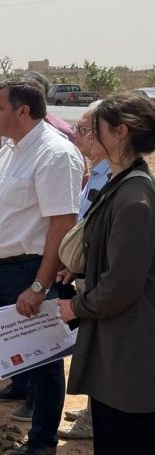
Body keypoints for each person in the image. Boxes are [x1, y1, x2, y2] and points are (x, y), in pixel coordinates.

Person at [0, 78, 83, 455]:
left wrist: (39, 287)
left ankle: (41, 445)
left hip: (28, 271)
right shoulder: (8, 147)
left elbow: (62, 224)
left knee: (42, 359)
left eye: (0, 108)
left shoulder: (55, 154)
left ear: (24, 111)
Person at [57, 93, 155, 454]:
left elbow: (122, 284)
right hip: (115, 335)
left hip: (129, 343)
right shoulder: (121, 184)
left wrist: (77, 308)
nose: (84, 133)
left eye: (92, 127)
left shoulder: (134, 197)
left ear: (120, 132)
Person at [56, 103, 109, 441]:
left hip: (100, 277)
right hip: (84, 270)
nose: (78, 136)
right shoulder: (98, 170)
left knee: (100, 349)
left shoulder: (117, 177)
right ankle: (91, 409)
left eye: (86, 130)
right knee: (89, 344)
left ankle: (93, 419)